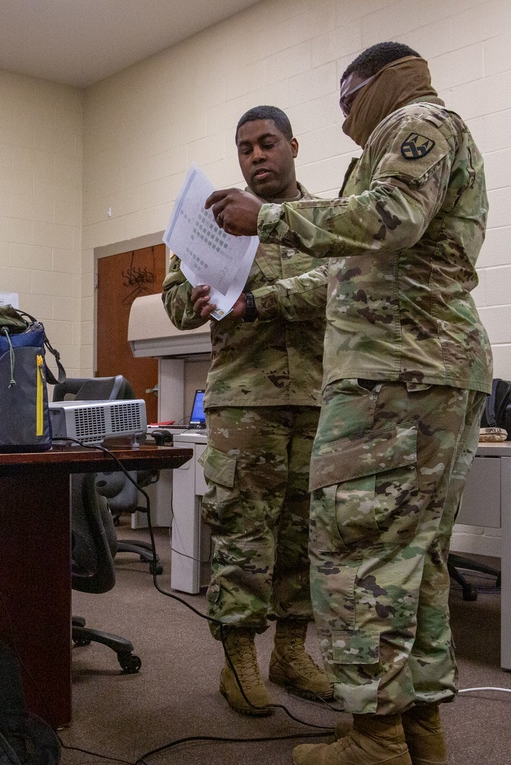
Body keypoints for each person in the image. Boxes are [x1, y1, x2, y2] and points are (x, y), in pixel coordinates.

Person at [206, 42, 492, 765]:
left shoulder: (416, 122)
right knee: (414, 556)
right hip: (425, 368)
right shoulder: (411, 138)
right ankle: (416, 727)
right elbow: (349, 274)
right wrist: (260, 300)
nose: (342, 118)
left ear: (380, 83)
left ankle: (375, 746)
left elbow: (389, 219)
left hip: (392, 375)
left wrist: (269, 218)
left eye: (346, 101)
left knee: (358, 550)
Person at [162, 106, 332, 718]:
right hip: (245, 402)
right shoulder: (213, 220)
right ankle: (239, 663)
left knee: (305, 536)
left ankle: (291, 652)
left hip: (316, 399)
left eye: (266, 144)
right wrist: (196, 299)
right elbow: (177, 302)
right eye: (244, 148)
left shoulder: (321, 220)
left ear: (292, 144)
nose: (255, 156)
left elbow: (336, 286)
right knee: (243, 535)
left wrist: (256, 302)